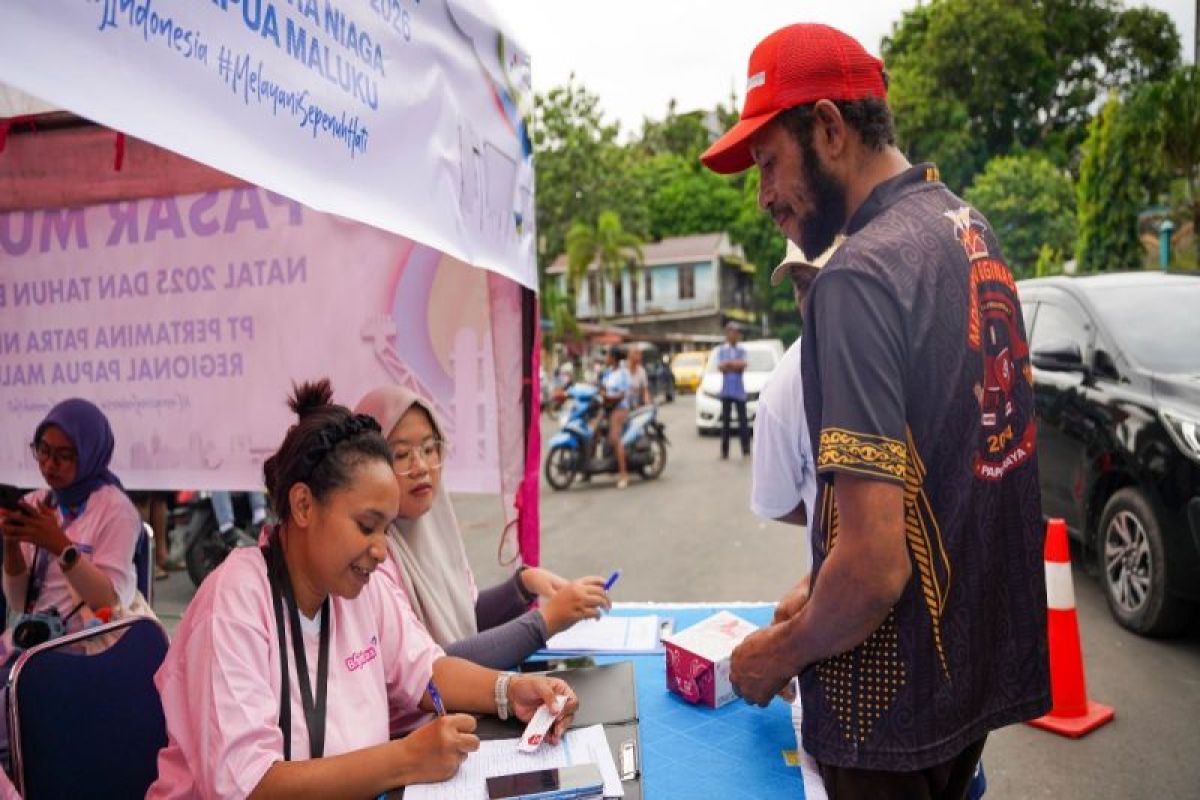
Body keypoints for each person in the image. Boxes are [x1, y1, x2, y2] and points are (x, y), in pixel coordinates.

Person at [704, 23, 1049, 799]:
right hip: (963, 691)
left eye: (768, 164)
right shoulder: (968, 231)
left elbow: (873, 566)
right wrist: (821, 584)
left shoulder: (857, 277)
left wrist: (775, 655)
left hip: (885, 720)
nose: (764, 198)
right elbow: (950, 475)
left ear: (829, 129)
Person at [148, 380, 577, 799]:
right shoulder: (234, 602)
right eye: (366, 526)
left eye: (386, 530)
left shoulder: (355, 586)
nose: (381, 550)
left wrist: (509, 691)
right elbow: (251, 785)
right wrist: (406, 759)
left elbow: (425, 670)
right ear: (303, 505)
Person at [354, 385, 610, 695]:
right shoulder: (370, 562)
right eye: (401, 455)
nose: (420, 467)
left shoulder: (435, 527)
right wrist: (548, 620)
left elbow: (464, 615)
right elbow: (433, 670)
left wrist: (522, 585)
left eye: (429, 449)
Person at [0, 399, 144, 760]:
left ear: (91, 453)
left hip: (87, 644)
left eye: (64, 456)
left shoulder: (116, 510)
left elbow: (107, 600)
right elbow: (18, 602)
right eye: (43, 451)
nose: (49, 464)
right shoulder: (37, 502)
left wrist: (59, 545)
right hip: (33, 639)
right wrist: (12, 547)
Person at [716, 322, 751, 459]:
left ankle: (745, 449)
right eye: (731, 332)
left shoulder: (742, 350)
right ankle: (724, 451)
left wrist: (730, 364)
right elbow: (721, 367)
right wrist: (734, 365)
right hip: (726, 391)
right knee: (725, 422)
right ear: (727, 334)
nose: (734, 335)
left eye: (736, 332)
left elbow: (743, 364)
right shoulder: (721, 350)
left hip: (739, 392)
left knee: (743, 422)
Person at [600, 346, 632, 488]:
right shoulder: (607, 372)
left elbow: (622, 394)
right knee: (592, 431)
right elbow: (602, 388)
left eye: (607, 355)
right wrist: (602, 394)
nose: (605, 358)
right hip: (606, 406)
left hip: (619, 408)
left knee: (614, 437)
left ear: (613, 358)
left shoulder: (623, 373)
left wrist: (609, 398)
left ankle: (624, 474)